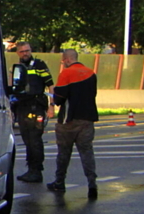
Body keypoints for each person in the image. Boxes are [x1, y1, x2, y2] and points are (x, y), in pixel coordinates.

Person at [47, 49, 99, 199]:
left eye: (63, 61)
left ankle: (59, 182)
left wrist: (54, 98)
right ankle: (92, 184)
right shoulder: (91, 73)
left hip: (68, 121)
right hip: (87, 120)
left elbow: (59, 98)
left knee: (63, 153)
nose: (63, 64)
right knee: (87, 152)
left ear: (67, 59)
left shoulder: (66, 74)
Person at [11, 42, 55, 183]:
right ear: (18, 53)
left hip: (36, 106)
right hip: (22, 107)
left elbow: (51, 85)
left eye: (27, 50)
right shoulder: (18, 68)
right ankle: (31, 169)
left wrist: (52, 106)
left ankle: (36, 171)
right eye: (22, 51)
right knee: (27, 139)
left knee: (35, 139)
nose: (25, 53)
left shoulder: (39, 65)